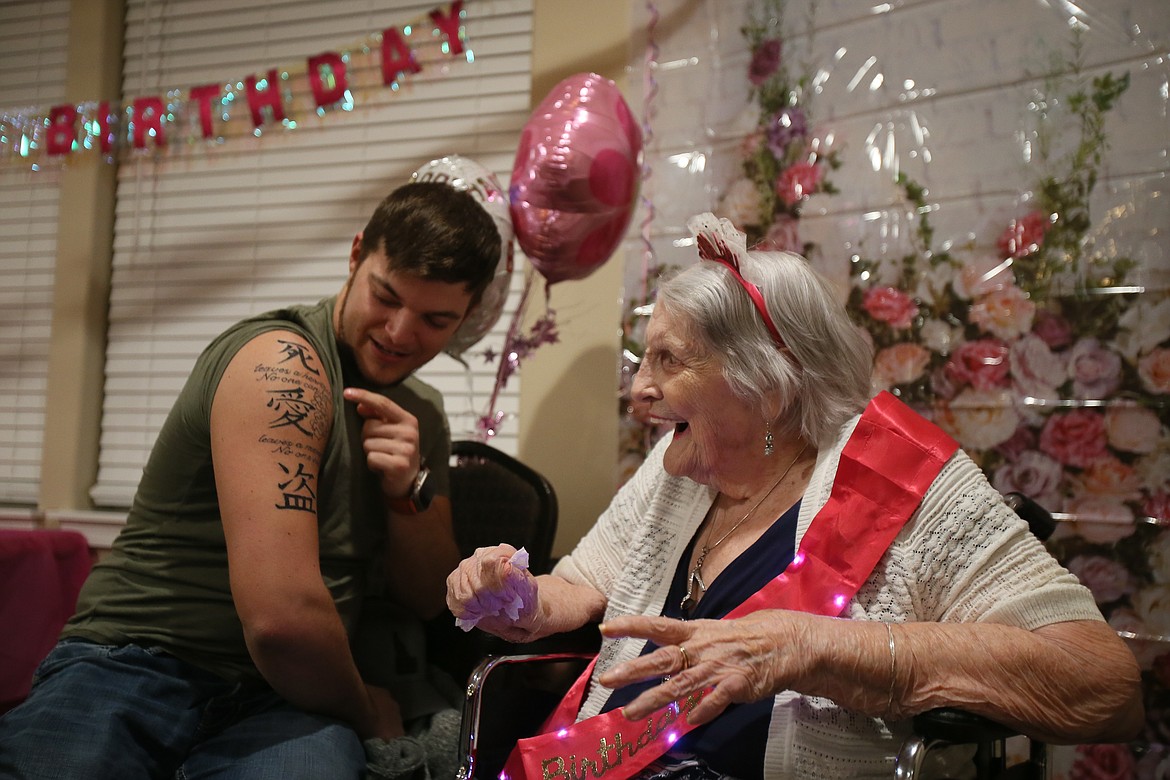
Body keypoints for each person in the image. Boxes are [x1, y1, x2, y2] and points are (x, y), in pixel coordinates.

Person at [445, 213, 1144, 780]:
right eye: (642, 359)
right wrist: (520, 599)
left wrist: (816, 647)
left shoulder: (906, 483)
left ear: (768, 388)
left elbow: (1104, 685)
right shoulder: (676, 468)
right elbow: (584, 583)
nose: (639, 392)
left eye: (669, 360)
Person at [0, 180, 503, 780]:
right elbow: (282, 620)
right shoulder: (277, 363)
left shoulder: (422, 412)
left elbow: (428, 599)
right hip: (136, 660)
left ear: (467, 316)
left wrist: (405, 498)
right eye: (385, 296)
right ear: (355, 254)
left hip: (286, 702)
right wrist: (365, 709)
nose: (399, 332)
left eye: (434, 319)